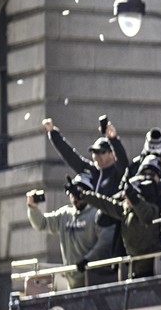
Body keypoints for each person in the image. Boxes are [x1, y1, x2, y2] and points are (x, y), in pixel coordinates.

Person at [42, 118, 129, 283]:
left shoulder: (118, 173)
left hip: (114, 232)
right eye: (94, 152)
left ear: (111, 154)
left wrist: (113, 140)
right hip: (92, 231)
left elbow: (125, 164)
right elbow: (71, 157)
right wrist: (53, 133)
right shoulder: (93, 172)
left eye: (100, 152)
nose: (96, 156)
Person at [73, 170, 161, 279]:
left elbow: (145, 214)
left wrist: (134, 197)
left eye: (128, 196)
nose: (125, 198)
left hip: (153, 269)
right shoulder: (126, 210)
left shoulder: (151, 211)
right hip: (134, 268)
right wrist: (82, 195)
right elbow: (105, 204)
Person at [26, 181, 109, 288]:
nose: (76, 199)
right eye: (72, 194)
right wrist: (32, 207)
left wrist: (87, 260)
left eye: (79, 194)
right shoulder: (65, 214)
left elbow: (106, 241)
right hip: (72, 279)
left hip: (93, 277)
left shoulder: (97, 214)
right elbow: (42, 224)